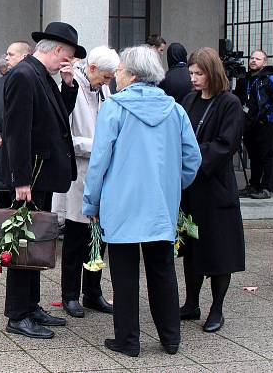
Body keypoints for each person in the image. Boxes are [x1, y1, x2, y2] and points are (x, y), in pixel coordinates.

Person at [83, 45, 201, 358]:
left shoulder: (115, 108)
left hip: (121, 203)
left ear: (133, 74)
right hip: (160, 204)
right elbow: (192, 158)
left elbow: (99, 162)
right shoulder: (174, 109)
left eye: (120, 69)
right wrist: (172, 186)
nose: (116, 74)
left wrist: (91, 203)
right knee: (163, 271)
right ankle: (171, 338)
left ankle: (128, 340)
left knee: (124, 274)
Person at [0, 22, 84, 339]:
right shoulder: (24, 75)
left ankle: (31, 305)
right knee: (23, 243)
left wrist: (68, 84)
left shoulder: (41, 76)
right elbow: (16, 132)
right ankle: (18, 314)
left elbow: (58, 118)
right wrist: (21, 179)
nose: (72, 62)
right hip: (30, 177)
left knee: (35, 241)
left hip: (40, 175)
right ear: (58, 50)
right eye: (70, 57)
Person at [179, 47, 245, 334]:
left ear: (212, 72)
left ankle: (216, 308)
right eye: (191, 73)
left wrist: (191, 156)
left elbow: (225, 145)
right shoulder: (189, 100)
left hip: (216, 190)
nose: (193, 78)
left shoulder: (228, 103)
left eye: (199, 73)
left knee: (219, 251)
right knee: (192, 249)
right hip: (191, 189)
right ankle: (191, 302)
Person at [57, 46, 119, 319]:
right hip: (80, 172)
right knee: (75, 237)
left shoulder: (103, 90)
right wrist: (101, 146)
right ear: (91, 68)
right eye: (105, 77)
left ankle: (93, 291)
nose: (108, 83)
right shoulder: (71, 88)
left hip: (103, 174)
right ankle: (70, 294)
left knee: (99, 237)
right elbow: (66, 136)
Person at [0, 41, 31, 208]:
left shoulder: (28, 79)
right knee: (2, 189)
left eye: (10, 56)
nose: (6, 61)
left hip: (17, 143)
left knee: (17, 194)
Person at [233, 50, 273, 199]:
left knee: (267, 156)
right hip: (249, 124)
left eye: (258, 59)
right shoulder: (245, 79)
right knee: (254, 156)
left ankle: (266, 188)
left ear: (264, 62)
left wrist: (268, 115)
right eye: (252, 58)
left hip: (265, 123)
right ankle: (254, 185)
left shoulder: (269, 78)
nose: (253, 61)